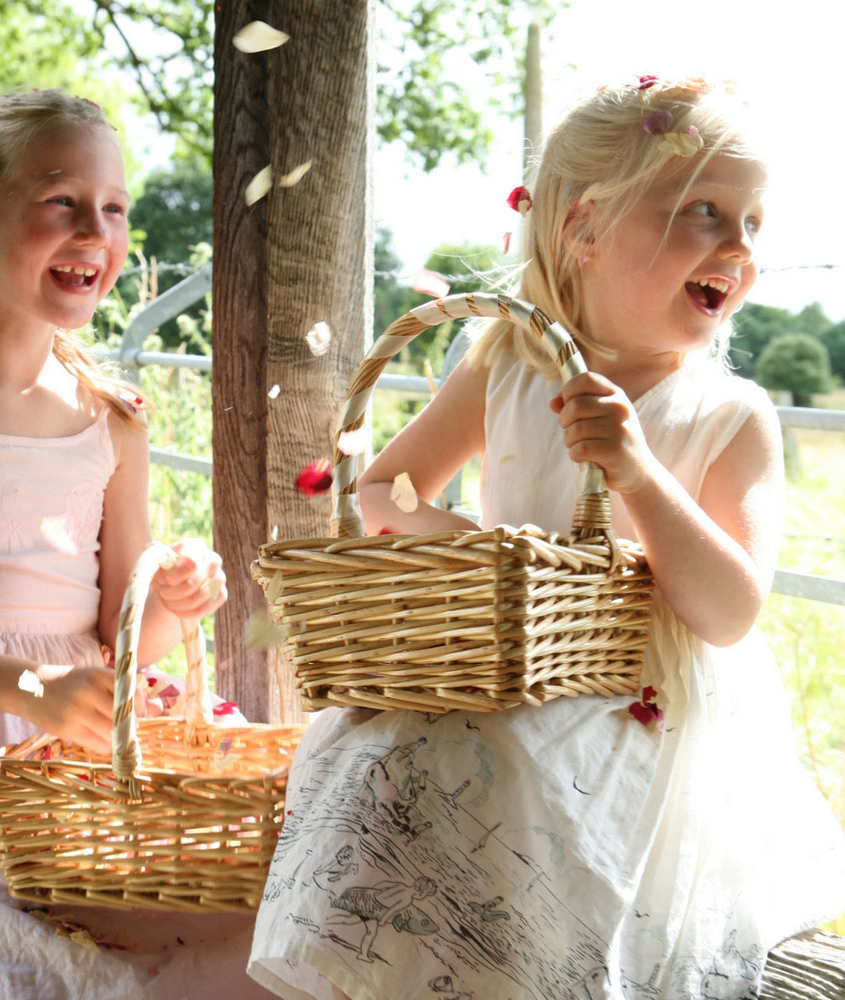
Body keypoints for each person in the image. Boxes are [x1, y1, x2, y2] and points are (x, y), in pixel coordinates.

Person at [248, 76, 845, 999]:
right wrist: (492, 557)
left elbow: (729, 612)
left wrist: (639, 473)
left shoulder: (730, 415)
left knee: (505, 769)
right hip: (508, 666)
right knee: (379, 755)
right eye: (702, 213)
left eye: (754, 223)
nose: (739, 247)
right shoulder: (507, 366)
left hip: (639, 708)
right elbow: (382, 489)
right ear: (585, 228)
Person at [0, 90, 270, 999]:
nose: (96, 230)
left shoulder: (113, 420)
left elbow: (123, 638)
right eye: (61, 201)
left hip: (79, 734)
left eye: (112, 208)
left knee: (227, 909)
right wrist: (27, 691)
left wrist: (174, 600)